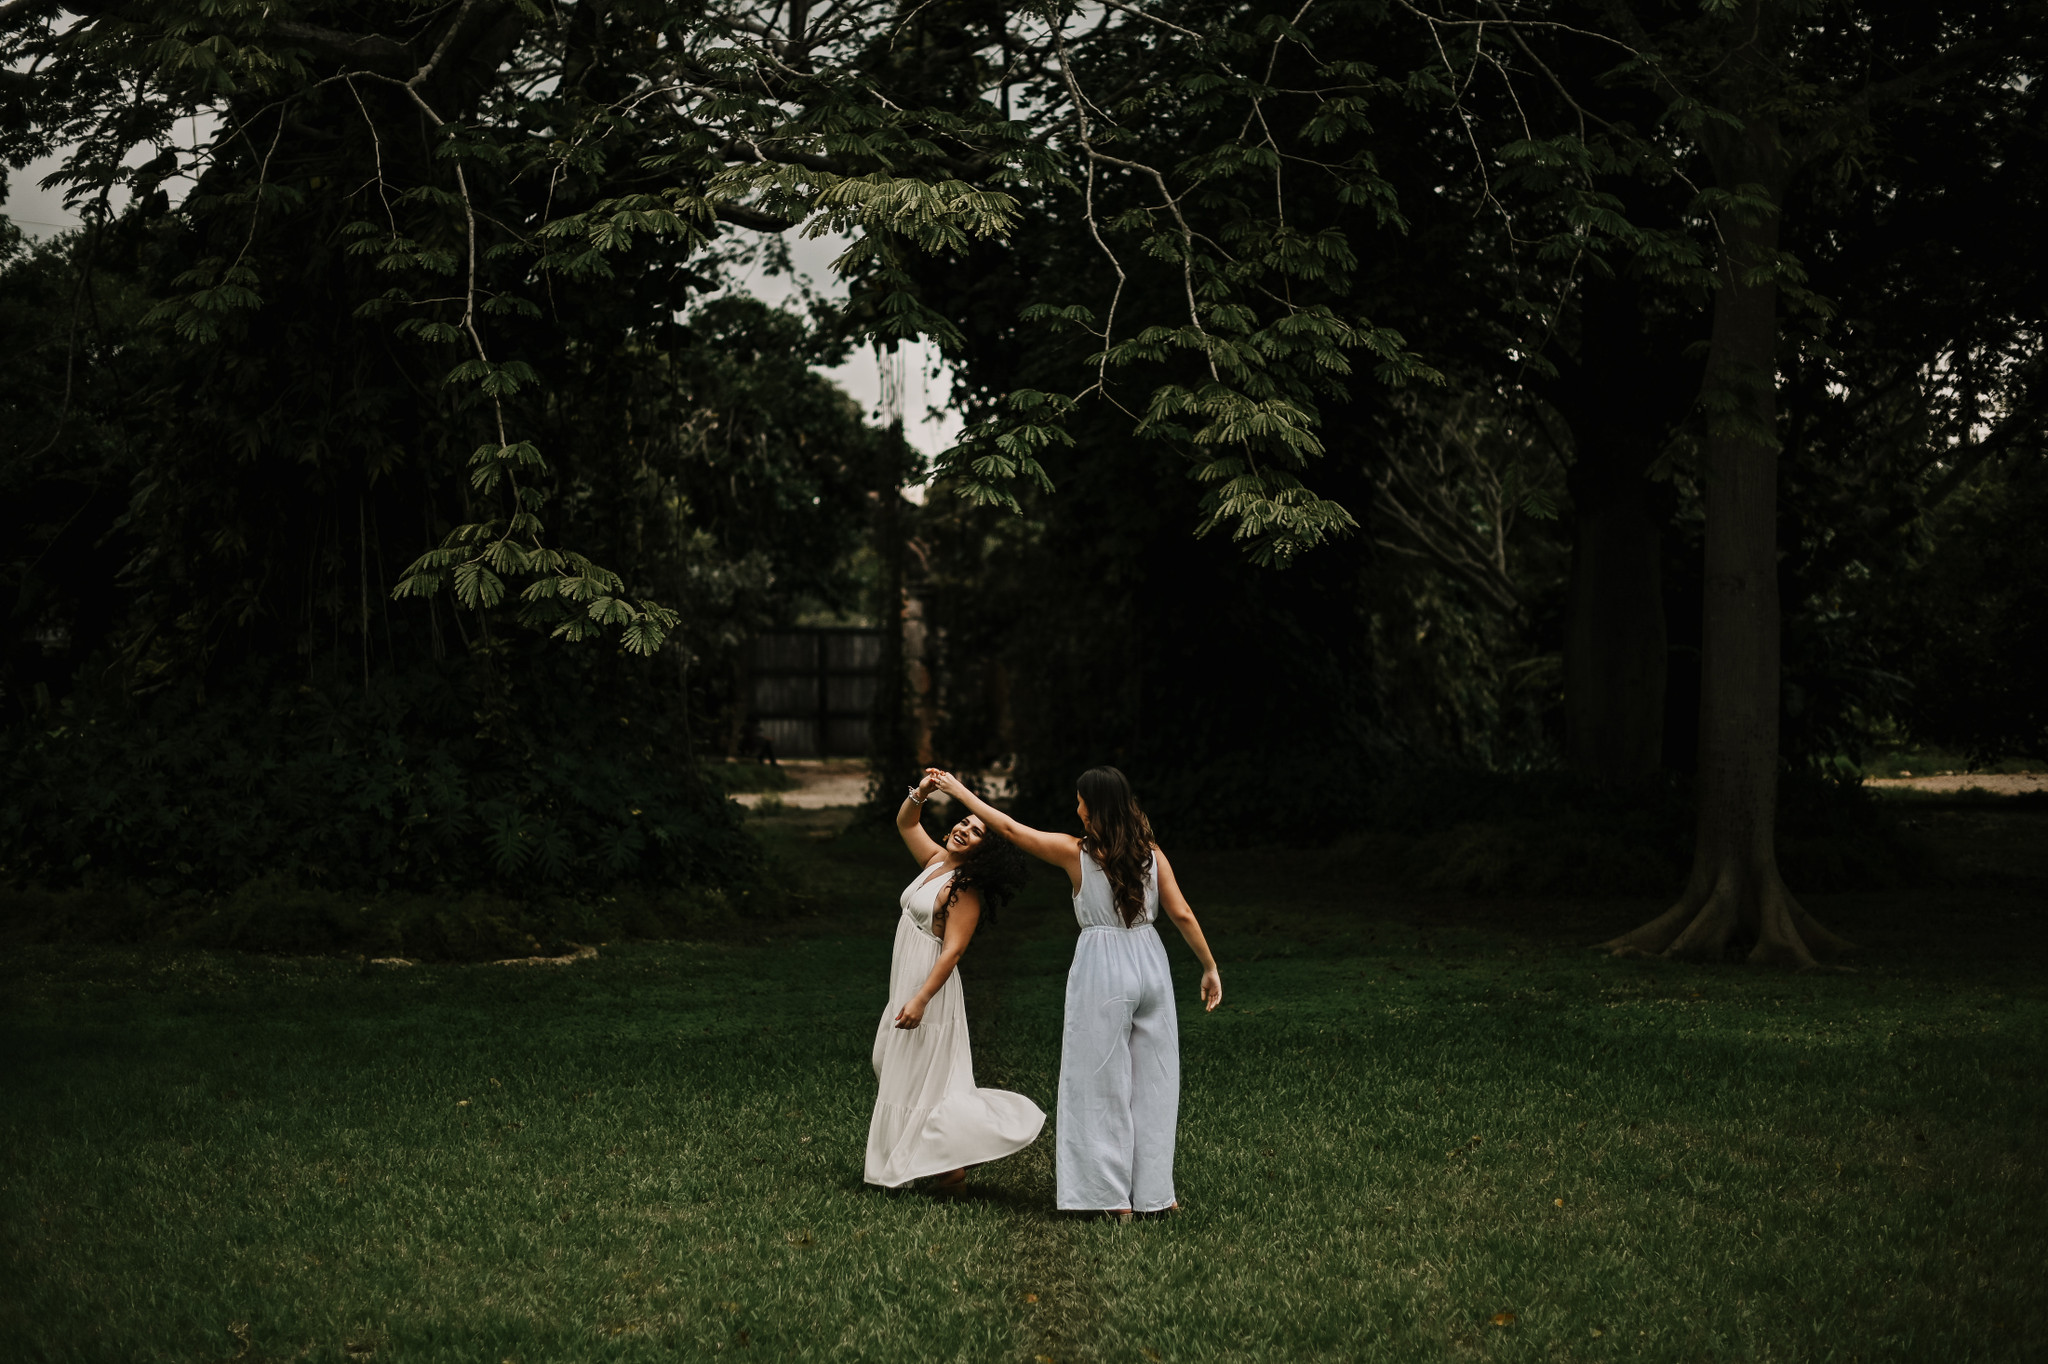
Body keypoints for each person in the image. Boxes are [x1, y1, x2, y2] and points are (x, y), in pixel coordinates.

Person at [923, 765, 1221, 1218]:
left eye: (1080, 799)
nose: (1075, 806)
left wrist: (957, 789)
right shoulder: (1151, 853)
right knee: (1155, 1082)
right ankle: (1159, 1195)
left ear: (1093, 807)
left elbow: (1006, 827)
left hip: (1103, 967)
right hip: (1151, 963)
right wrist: (1209, 966)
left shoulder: (1074, 853)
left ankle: (1111, 1197)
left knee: (1098, 1083)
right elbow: (1180, 912)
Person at [865, 772, 1045, 1194]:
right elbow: (907, 824)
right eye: (963, 823)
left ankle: (948, 1170)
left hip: (929, 985)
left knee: (922, 1073)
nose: (965, 830)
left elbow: (953, 951)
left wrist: (921, 999)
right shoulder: (936, 863)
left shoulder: (965, 888)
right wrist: (921, 793)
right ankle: (941, 1167)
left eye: (977, 830)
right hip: (905, 976)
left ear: (985, 850)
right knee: (887, 1060)